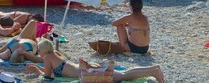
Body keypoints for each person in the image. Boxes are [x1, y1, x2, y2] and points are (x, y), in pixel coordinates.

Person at [27, 39, 165, 82]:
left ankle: (153, 71)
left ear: (44, 50)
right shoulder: (56, 54)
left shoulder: (47, 57)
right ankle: (154, 69)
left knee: (122, 76)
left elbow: (47, 77)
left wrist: (36, 70)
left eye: (40, 50)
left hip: (86, 72)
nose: (39, 52)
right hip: (86, 68)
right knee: (122, 74)